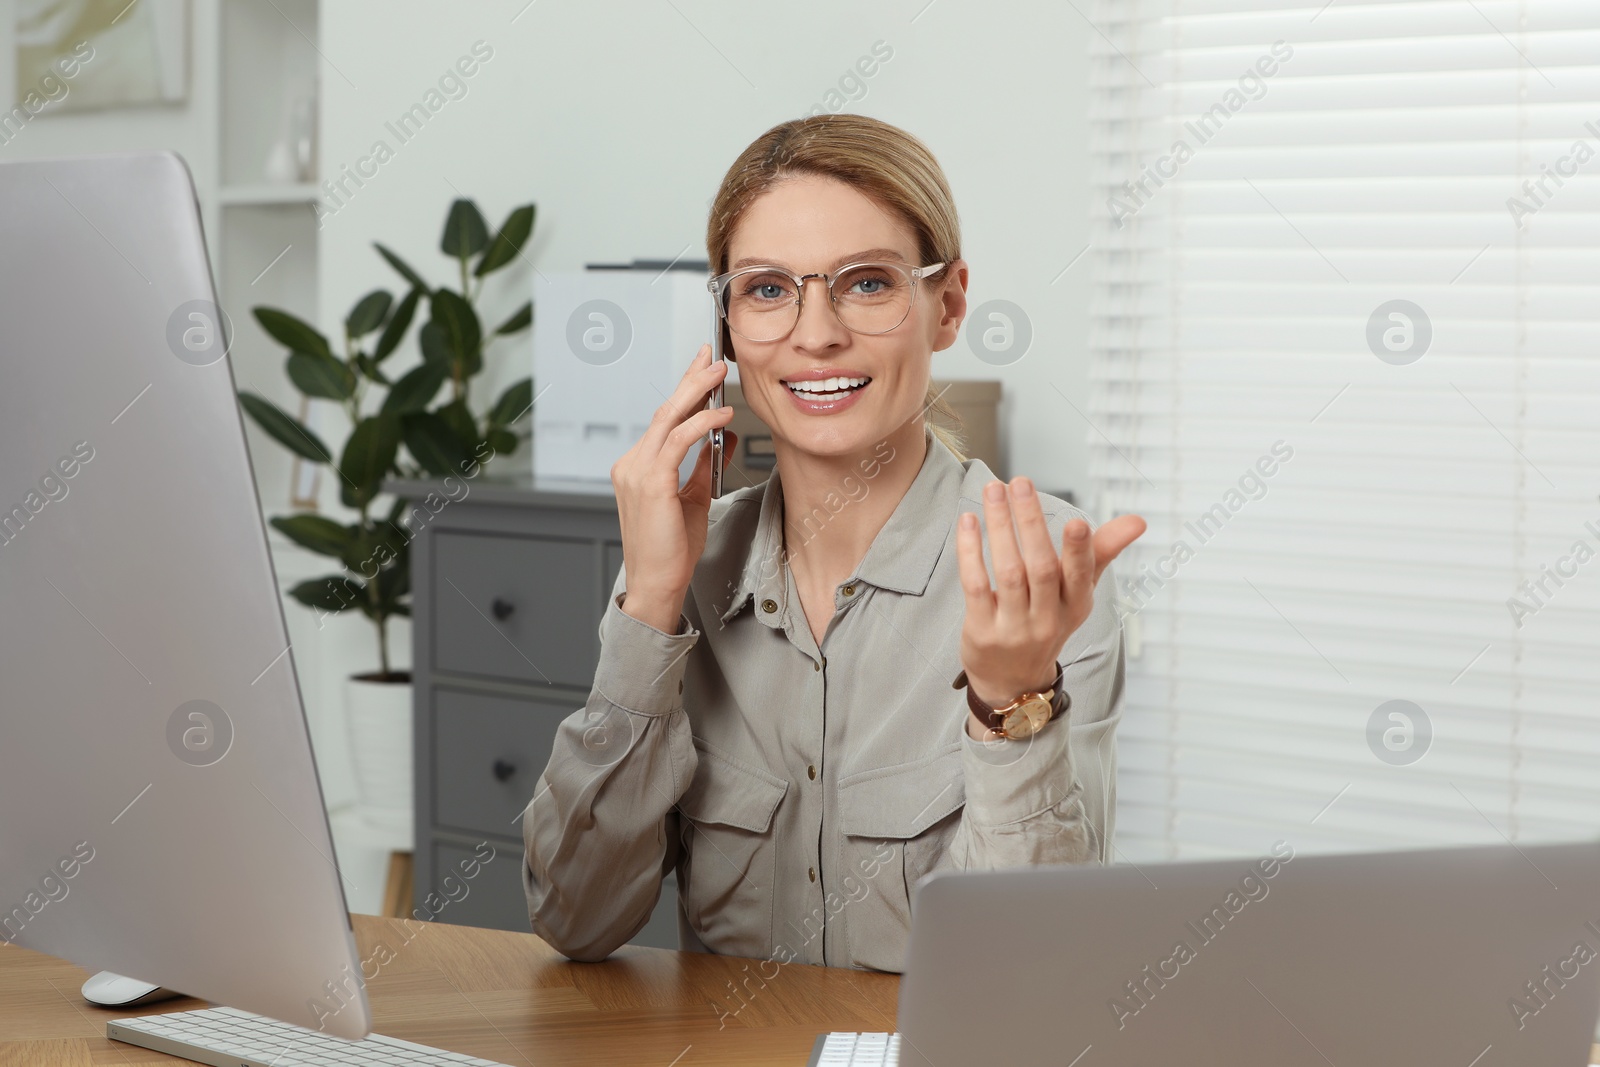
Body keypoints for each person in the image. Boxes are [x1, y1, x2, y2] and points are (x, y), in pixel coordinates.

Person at [521, 113, 1145, 973]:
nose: (815, 334)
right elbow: (574, 919)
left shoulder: (1037, 579)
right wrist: (650, 610)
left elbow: (1036, 969)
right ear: (728, 327)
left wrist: (1010, 704)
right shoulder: (683, 572)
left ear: (948, 304)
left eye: (867, 283)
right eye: (768, 289)